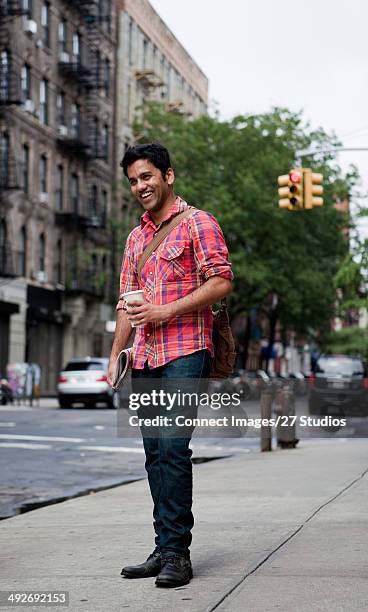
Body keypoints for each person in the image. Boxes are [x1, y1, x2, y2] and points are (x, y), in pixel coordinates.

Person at [107, 142, 233, 588]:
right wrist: (115, 351)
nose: (140, 186)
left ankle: (178, 553)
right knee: (154, 453)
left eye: (147, 177)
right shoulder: (136, 237)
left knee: (174, 450)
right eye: (134, 181)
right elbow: (126, 301)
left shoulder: (198, 223)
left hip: (185, 350)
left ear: (168, 175)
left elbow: (221, 280)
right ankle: (162, 546)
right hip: (143, 357)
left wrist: (166, 311)